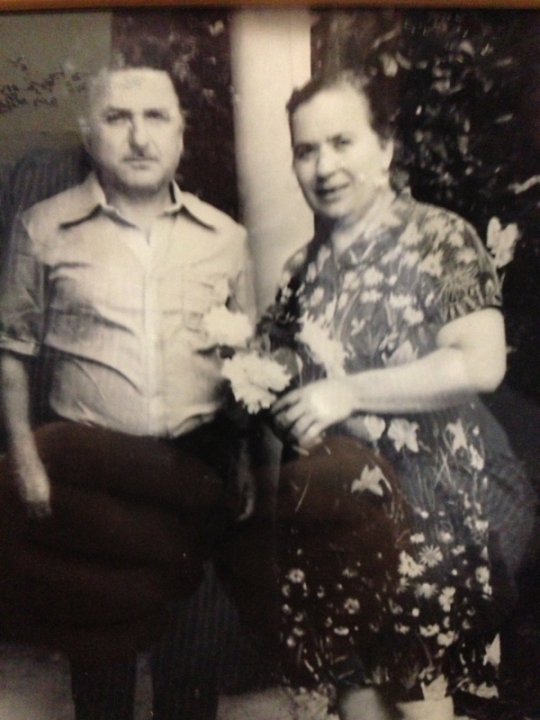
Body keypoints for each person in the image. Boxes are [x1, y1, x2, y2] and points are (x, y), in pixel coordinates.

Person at [259, 70, 537, 720]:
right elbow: (282, 381)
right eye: (306, 150)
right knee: (356, 702)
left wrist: (345, 393)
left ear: (384, 147)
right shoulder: (300, 270)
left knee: (421, 707)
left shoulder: (440, 238)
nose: (324, 166)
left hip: (427, 520)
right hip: (332, 524)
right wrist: (286, 408)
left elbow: (479, 363)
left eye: (342, 142)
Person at [0, 50, 257, 720]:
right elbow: (11, 354)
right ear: (89, 135)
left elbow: (250, 365)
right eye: (118, 118)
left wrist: (246, 460)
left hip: (194, 467)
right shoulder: (43, 228)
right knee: (102, 654)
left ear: (181, 133)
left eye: (156, 117)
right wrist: (27, 460)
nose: (139, 137)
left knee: (191, 656)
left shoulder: (226, 238)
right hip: (93, 473)